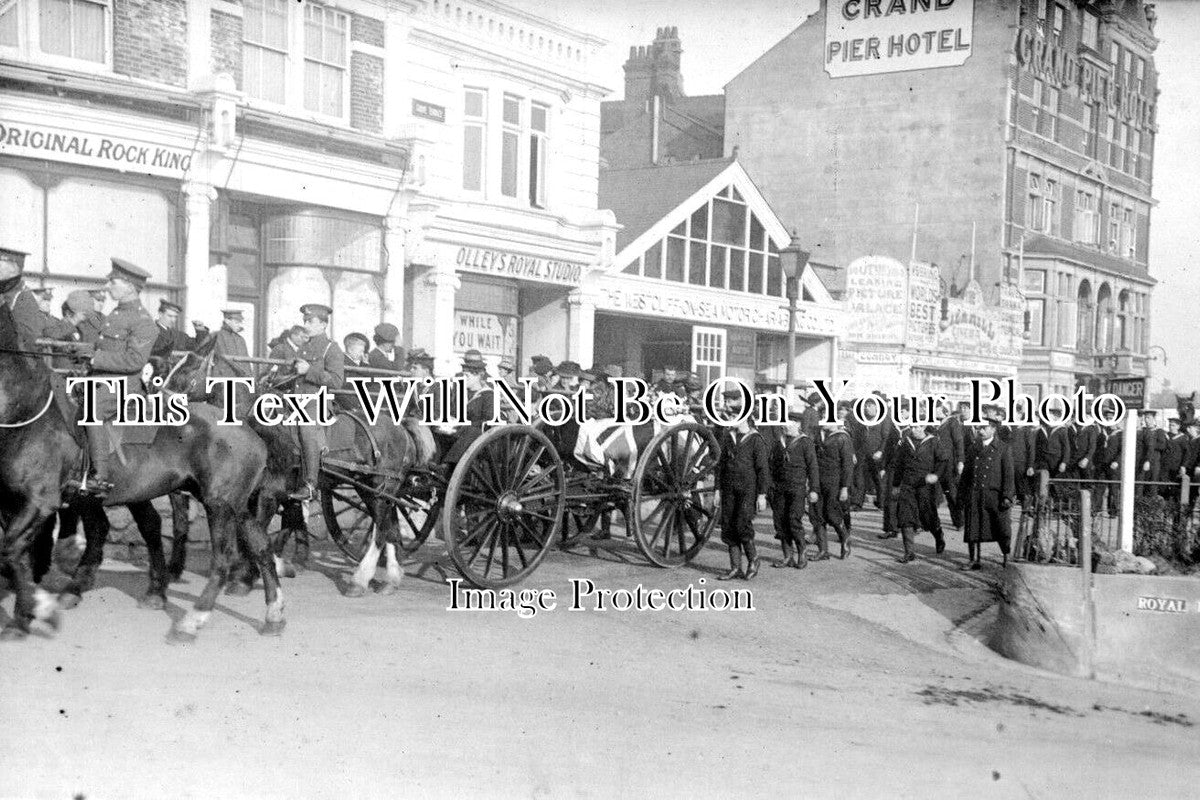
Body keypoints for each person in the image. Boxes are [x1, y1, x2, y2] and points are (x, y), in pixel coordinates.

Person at [81, 258, 159, 495]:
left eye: (113, 282)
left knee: (92, 411)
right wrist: (84, 354)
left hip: (125, 385)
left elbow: (134, 361)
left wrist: (96, 358)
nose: (108, 286)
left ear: (130, 285)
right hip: (103, 380)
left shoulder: (144, 322)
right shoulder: (116, 313)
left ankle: (100, 477)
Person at [288, 304, 344, 501]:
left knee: (306, 428)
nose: (306, 325)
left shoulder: (332, 348)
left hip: (317, 403)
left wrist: (308, 372)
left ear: (323, 324)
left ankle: (311, 484)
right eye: (305, 321)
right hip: (297, 400)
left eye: (310, 321)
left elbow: (337, 381)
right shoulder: (304, 347)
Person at [715, 390, 770, 580]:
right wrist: (717, 490)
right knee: (728, 525)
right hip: (729, 488)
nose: (730, 419)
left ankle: (753, 559)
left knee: (742, 525)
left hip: (748, 490)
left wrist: (762, 495)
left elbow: (763, 469)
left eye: (734, 416)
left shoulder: (756, 440)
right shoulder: (728, 437)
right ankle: (735, 567)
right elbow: (720, 466)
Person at [960, 412, 1015, 570]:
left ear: (993, 429)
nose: (980, 431)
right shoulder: (973, 448)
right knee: (973, 528)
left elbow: (1008, 475)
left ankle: (1006, 556)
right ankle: (973, 559)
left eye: (983, 428)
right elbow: (966, 474)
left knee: (1001, 528)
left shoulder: (1003, 448)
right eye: (978, 428)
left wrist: (1007, 496)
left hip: (994, 495)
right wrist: (962, 494)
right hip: (975, 493)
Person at [768, 409, 819, 569]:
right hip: (780, 488)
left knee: (793, 520)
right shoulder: (779, 443)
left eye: (788, 422)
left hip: (797, 487)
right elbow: (772, 466)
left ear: (797, 424)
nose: (784, 425)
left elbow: (813, 467)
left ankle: (801, 553)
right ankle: (787, 556)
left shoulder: (805, 442)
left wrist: (814, 490)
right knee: (780, 522)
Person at [891, 424, 948, 563]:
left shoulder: (933, 441)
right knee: (905, 516)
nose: (916, 429)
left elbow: (943, 461)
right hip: (908, 484)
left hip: (925, 485)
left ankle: (938, 536)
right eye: (913, 427)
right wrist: (896, 484)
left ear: (924, 427)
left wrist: (936, 475)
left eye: (919, 427)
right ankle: (909, 552)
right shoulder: (905, 443)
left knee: (928, 516)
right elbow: (899, 464)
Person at [811, 406, 855, 561]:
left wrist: (844, 488)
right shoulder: (818, 434)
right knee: (816, 515)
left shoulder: (843, 437)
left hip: (834, 482)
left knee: (832, 513)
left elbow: (848, 465)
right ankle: (823, 551)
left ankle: (845, 538)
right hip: (818, 481)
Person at [937, 400, 966, 529]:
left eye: (936, 409)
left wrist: (960, 461)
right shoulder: (935, 424)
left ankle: (960, 521)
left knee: (953, 494)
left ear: (943, 410)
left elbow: (959, 442)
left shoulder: (952, 423)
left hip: (950, 464)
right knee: (946, 494)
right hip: (938, 465)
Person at [149, 300, 188, 378]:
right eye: (170, 316)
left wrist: (200, 330)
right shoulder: (149, 331)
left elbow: (196, 344)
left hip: (174, 379)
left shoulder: (177, 334)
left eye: (175, 317)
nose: (173, 320)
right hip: (155, 376)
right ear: (160, 314)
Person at [211, 308, 250, 381]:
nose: (239, 325)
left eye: (240, 322)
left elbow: (246, 364)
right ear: (227, 321)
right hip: (222, 378)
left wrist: (250, 378)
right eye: (236, 322)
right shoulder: (216, 336)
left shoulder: (240, 339)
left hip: (241, 379)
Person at [1135, 409, 1166, 496]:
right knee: (1140, 483)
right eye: (1145, 418)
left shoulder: (1159, 431)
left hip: (1154, 461)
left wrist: (1150, 444)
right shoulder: (1143, 431)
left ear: (1153, 419)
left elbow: (1162, 446)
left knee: (1153, 484)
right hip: (1142, 459)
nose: (1146, 420)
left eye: (1148, 418)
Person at [1161, 416, 1186, 502]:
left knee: (1175, 488)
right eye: (1170, 425)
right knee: (1163, 487)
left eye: (1173, 425)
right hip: (1165, 465)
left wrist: (1183, 466)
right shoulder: (1165, 436)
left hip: (1176, 466)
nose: (1171, 427)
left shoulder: (1182, 438)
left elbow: (1187, 453)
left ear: (1178, 426)